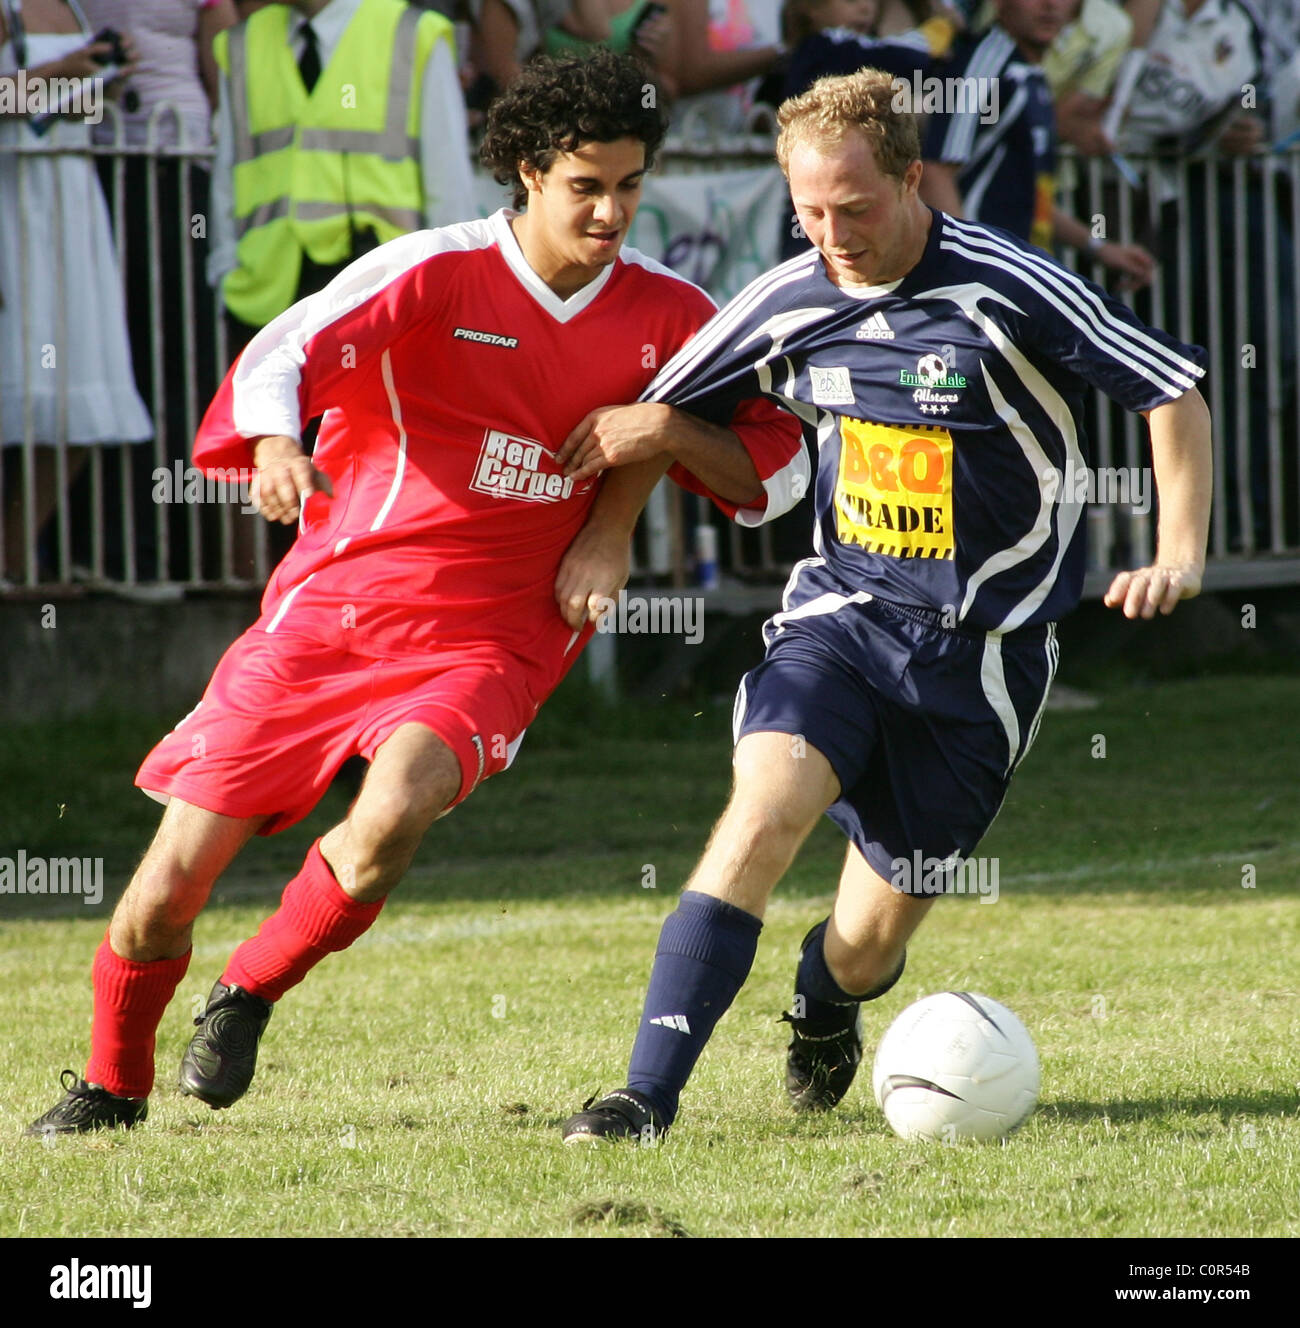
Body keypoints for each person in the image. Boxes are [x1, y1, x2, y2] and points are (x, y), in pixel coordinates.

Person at [23, 48, 803, 1136]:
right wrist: (281, 446)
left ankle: (246, 991)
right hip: (333, 611)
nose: (611, 211)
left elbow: (778, 467)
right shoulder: (433, 271)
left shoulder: (673, 312)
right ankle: (112, 1084)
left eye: (630, 186)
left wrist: (652, 457)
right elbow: (279, 354)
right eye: (587, 186)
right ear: (529, 172)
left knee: (394, 811)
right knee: (162, 893)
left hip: (498, 634)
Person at [559, 66, 1211, 1144]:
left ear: (914, 180)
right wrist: (610, 527)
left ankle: (824, 999)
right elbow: (655, 412)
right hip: (840, 622)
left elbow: (1169, 388)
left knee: (864, 946)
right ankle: (642, 1096)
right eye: (809, 211)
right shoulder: (789, 295)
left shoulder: (1009, 286)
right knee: (761, 814)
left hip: (984, 662)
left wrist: (1177, 553)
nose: (832, 234)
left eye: (854, 208)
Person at [207, 0, 475, 356]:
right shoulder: (243, 43)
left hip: (382, 287)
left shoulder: (413, 32)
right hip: (264, 297)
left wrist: (448, 288)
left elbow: (448, 176)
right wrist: (224, 270)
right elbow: (228, 168)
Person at [0, 0, 152, 585]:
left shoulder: (70, 6)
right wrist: (58, 73)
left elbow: (59, 109)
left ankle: (14, 556)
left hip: (70, 199)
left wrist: (99, 84)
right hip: (15, 199)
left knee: (82, 389)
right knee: (24, 382)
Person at [920, 0, 1152, 288]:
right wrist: (971, 270)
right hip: (982, 280)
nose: (1050, 6)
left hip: (1013, 272)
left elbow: (1028, 194)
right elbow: (934, 171)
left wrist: (1100, 247)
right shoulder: (982, 64)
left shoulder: (1031, 74)